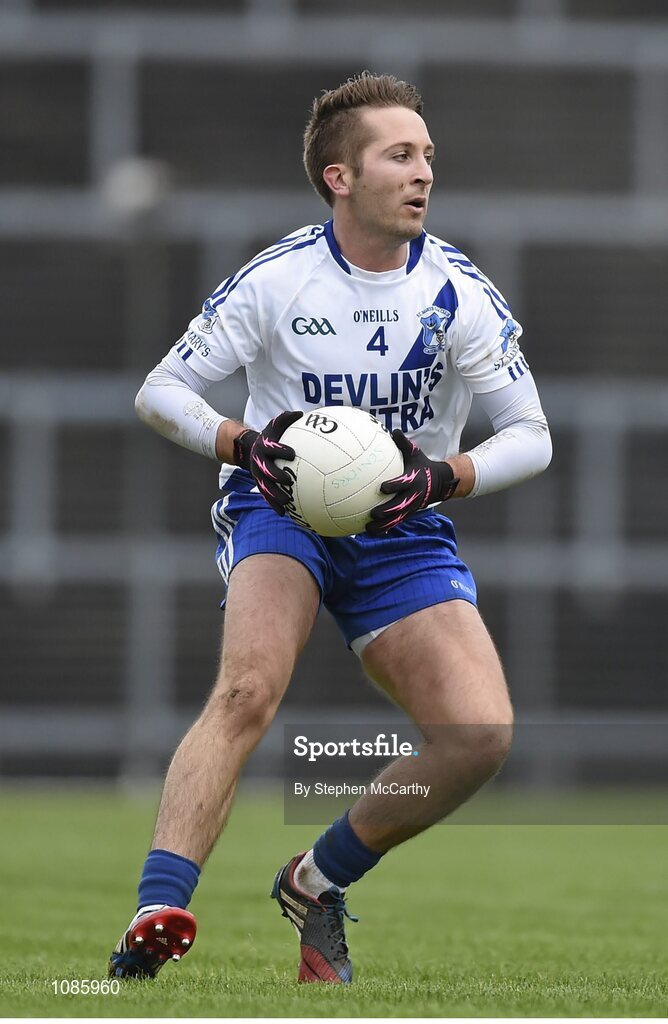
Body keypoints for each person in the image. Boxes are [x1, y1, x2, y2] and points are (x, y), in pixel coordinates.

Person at [109, 71, 552, 984]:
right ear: (339, 178)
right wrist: (238, 442)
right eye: (401, 154)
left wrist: (445, 474)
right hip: (283, 509)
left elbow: (532, 437)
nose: (424, 171)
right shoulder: (278, 281)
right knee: (248, 693)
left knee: (479, 735)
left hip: (405, 528)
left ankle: (316, 880)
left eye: (428, 154)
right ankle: (157, 911)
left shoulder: (459, 294)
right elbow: (162, 390)